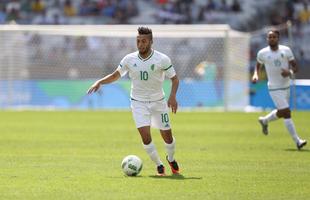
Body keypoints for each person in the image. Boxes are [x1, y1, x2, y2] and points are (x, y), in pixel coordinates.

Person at [87, 27, 180, 175]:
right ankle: (159, 164)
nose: (140, 44)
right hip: (138, 103)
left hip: (158, 102)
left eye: (144, 41)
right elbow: (115, 75)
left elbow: (174, 79)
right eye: (138, 41)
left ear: (151, 42)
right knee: (145, 135)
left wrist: (173, 96)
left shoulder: (162, 59)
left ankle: (171, 158)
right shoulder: (129, 59)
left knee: (167, 137)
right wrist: (100, 82)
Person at [252, 30, 307, 150]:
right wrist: (256, 75)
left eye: (274, 37)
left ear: (278, 38)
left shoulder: (286, 50)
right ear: (267, 39)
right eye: (269, 37)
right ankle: (297, 141)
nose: (272, 39)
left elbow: (295, 67)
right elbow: (258, 66)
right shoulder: (262, 53)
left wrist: (290, 72)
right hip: (274, 87)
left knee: (282, 112)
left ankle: (265, 120)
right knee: (287, 112)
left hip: (286, 86)